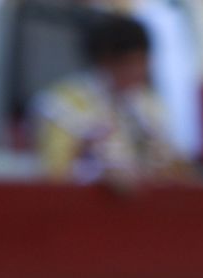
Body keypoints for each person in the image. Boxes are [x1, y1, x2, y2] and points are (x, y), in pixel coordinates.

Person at [33, 12, 188, 185]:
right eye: (128, 63)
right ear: (104, 62)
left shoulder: (150, 105)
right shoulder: (61, 104)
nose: (137, 71)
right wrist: (95, 174)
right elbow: (54, 173)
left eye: (142, 62)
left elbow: (174, 169)